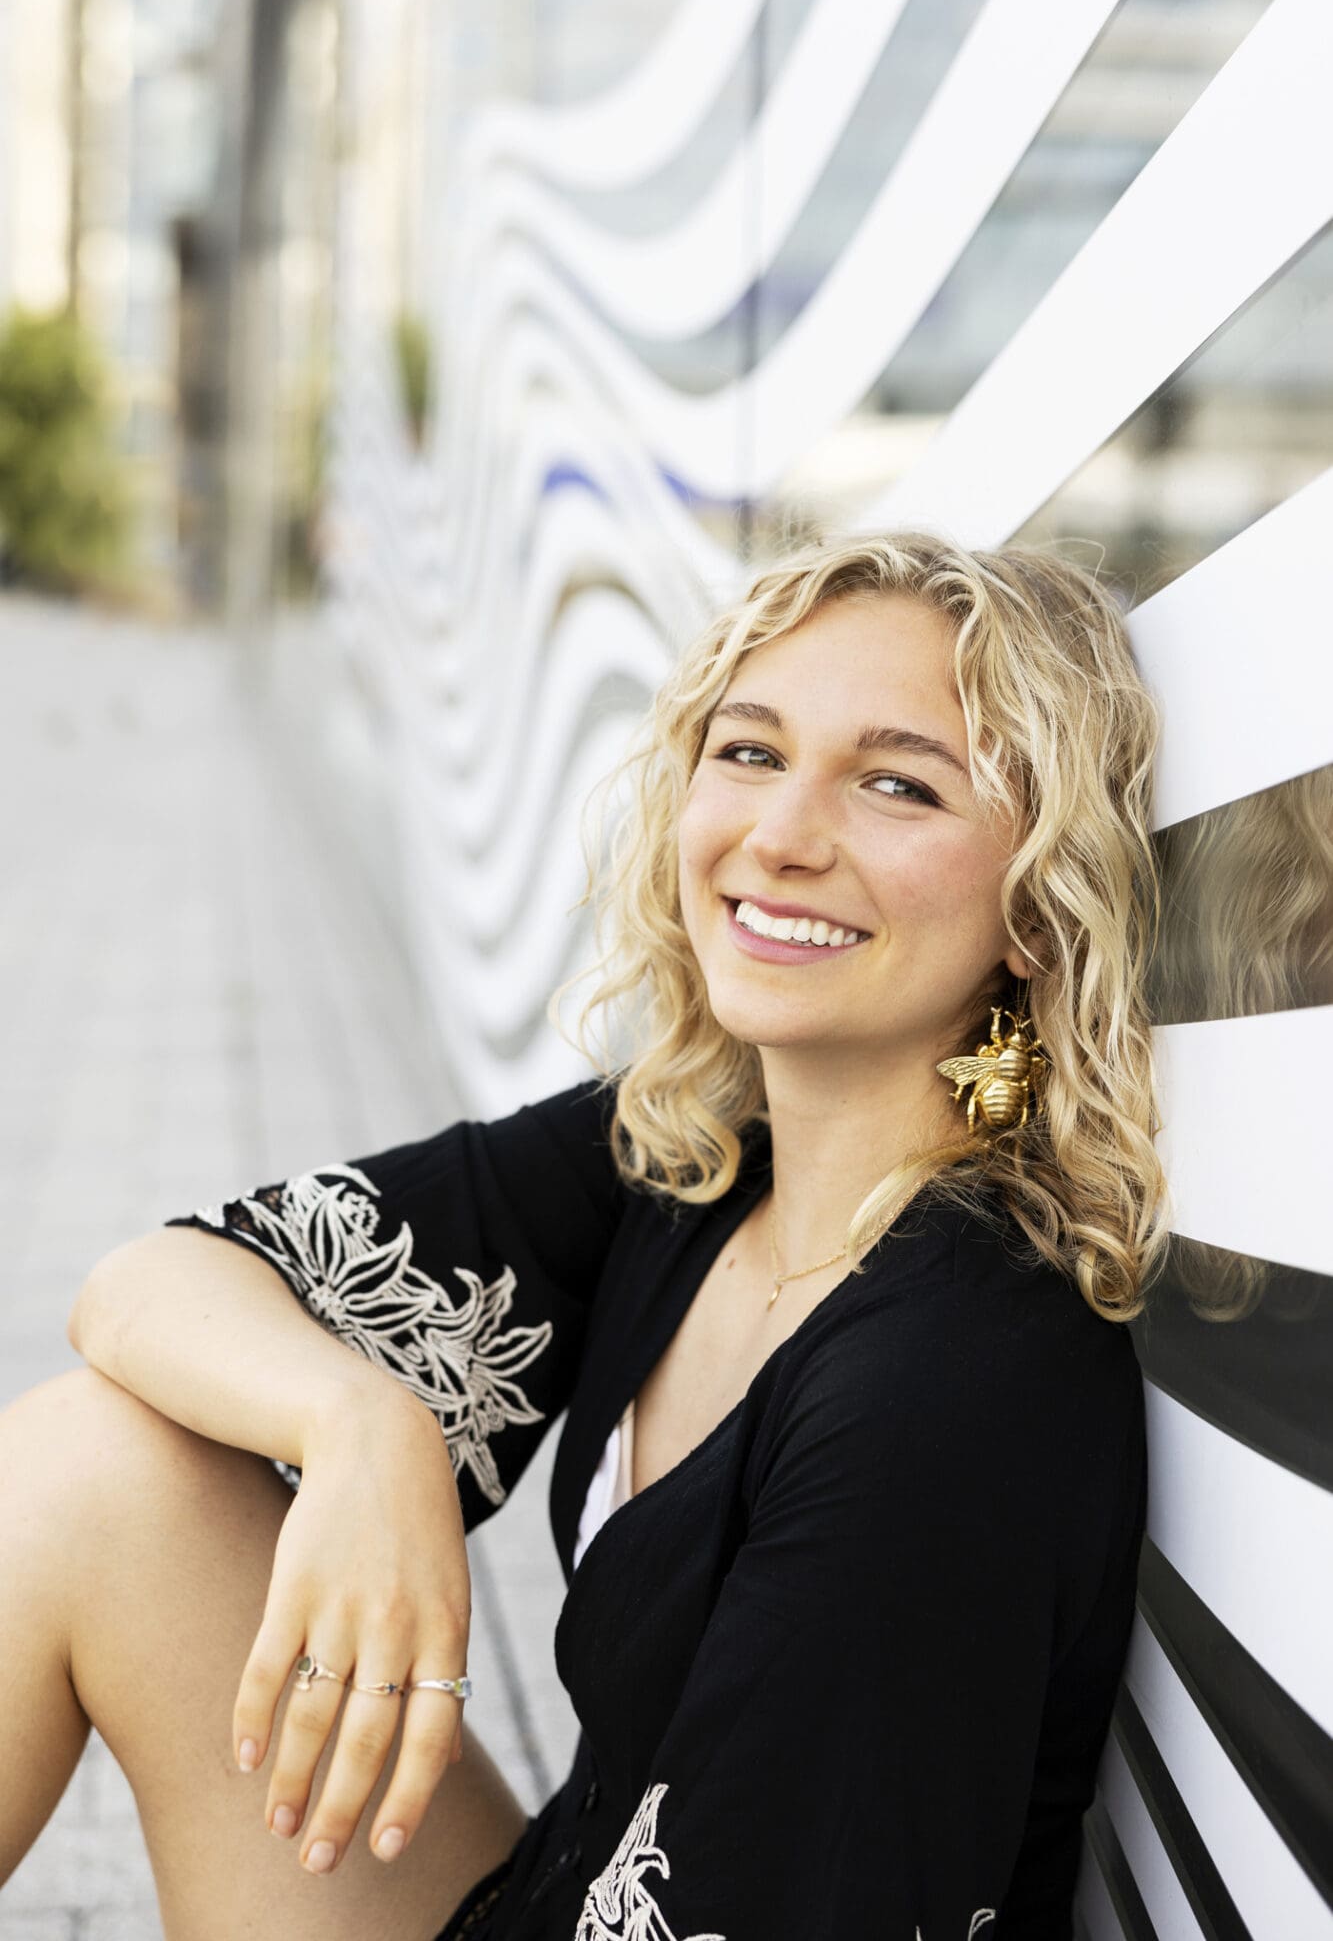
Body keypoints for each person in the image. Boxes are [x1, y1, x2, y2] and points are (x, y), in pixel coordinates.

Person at [0, 531, 1168, 1940]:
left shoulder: (946, 1386)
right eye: (747, 753)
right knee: (91, 1467)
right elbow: (144, 1290)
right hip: (538, 1901)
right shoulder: (694, 1158)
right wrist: (366, 1424)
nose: (781, 835)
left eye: (893, 784)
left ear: (1036, 908)